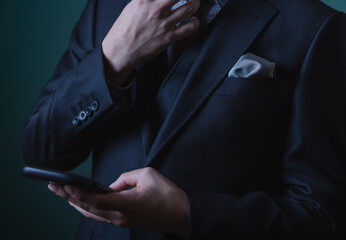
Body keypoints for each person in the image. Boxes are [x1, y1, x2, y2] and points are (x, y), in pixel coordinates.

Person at [21, 0, 346, 239]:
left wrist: (187, 214)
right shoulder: (103, 10)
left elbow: (320, 216)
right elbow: (41, 151)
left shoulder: (315, 27)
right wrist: (116, 56)